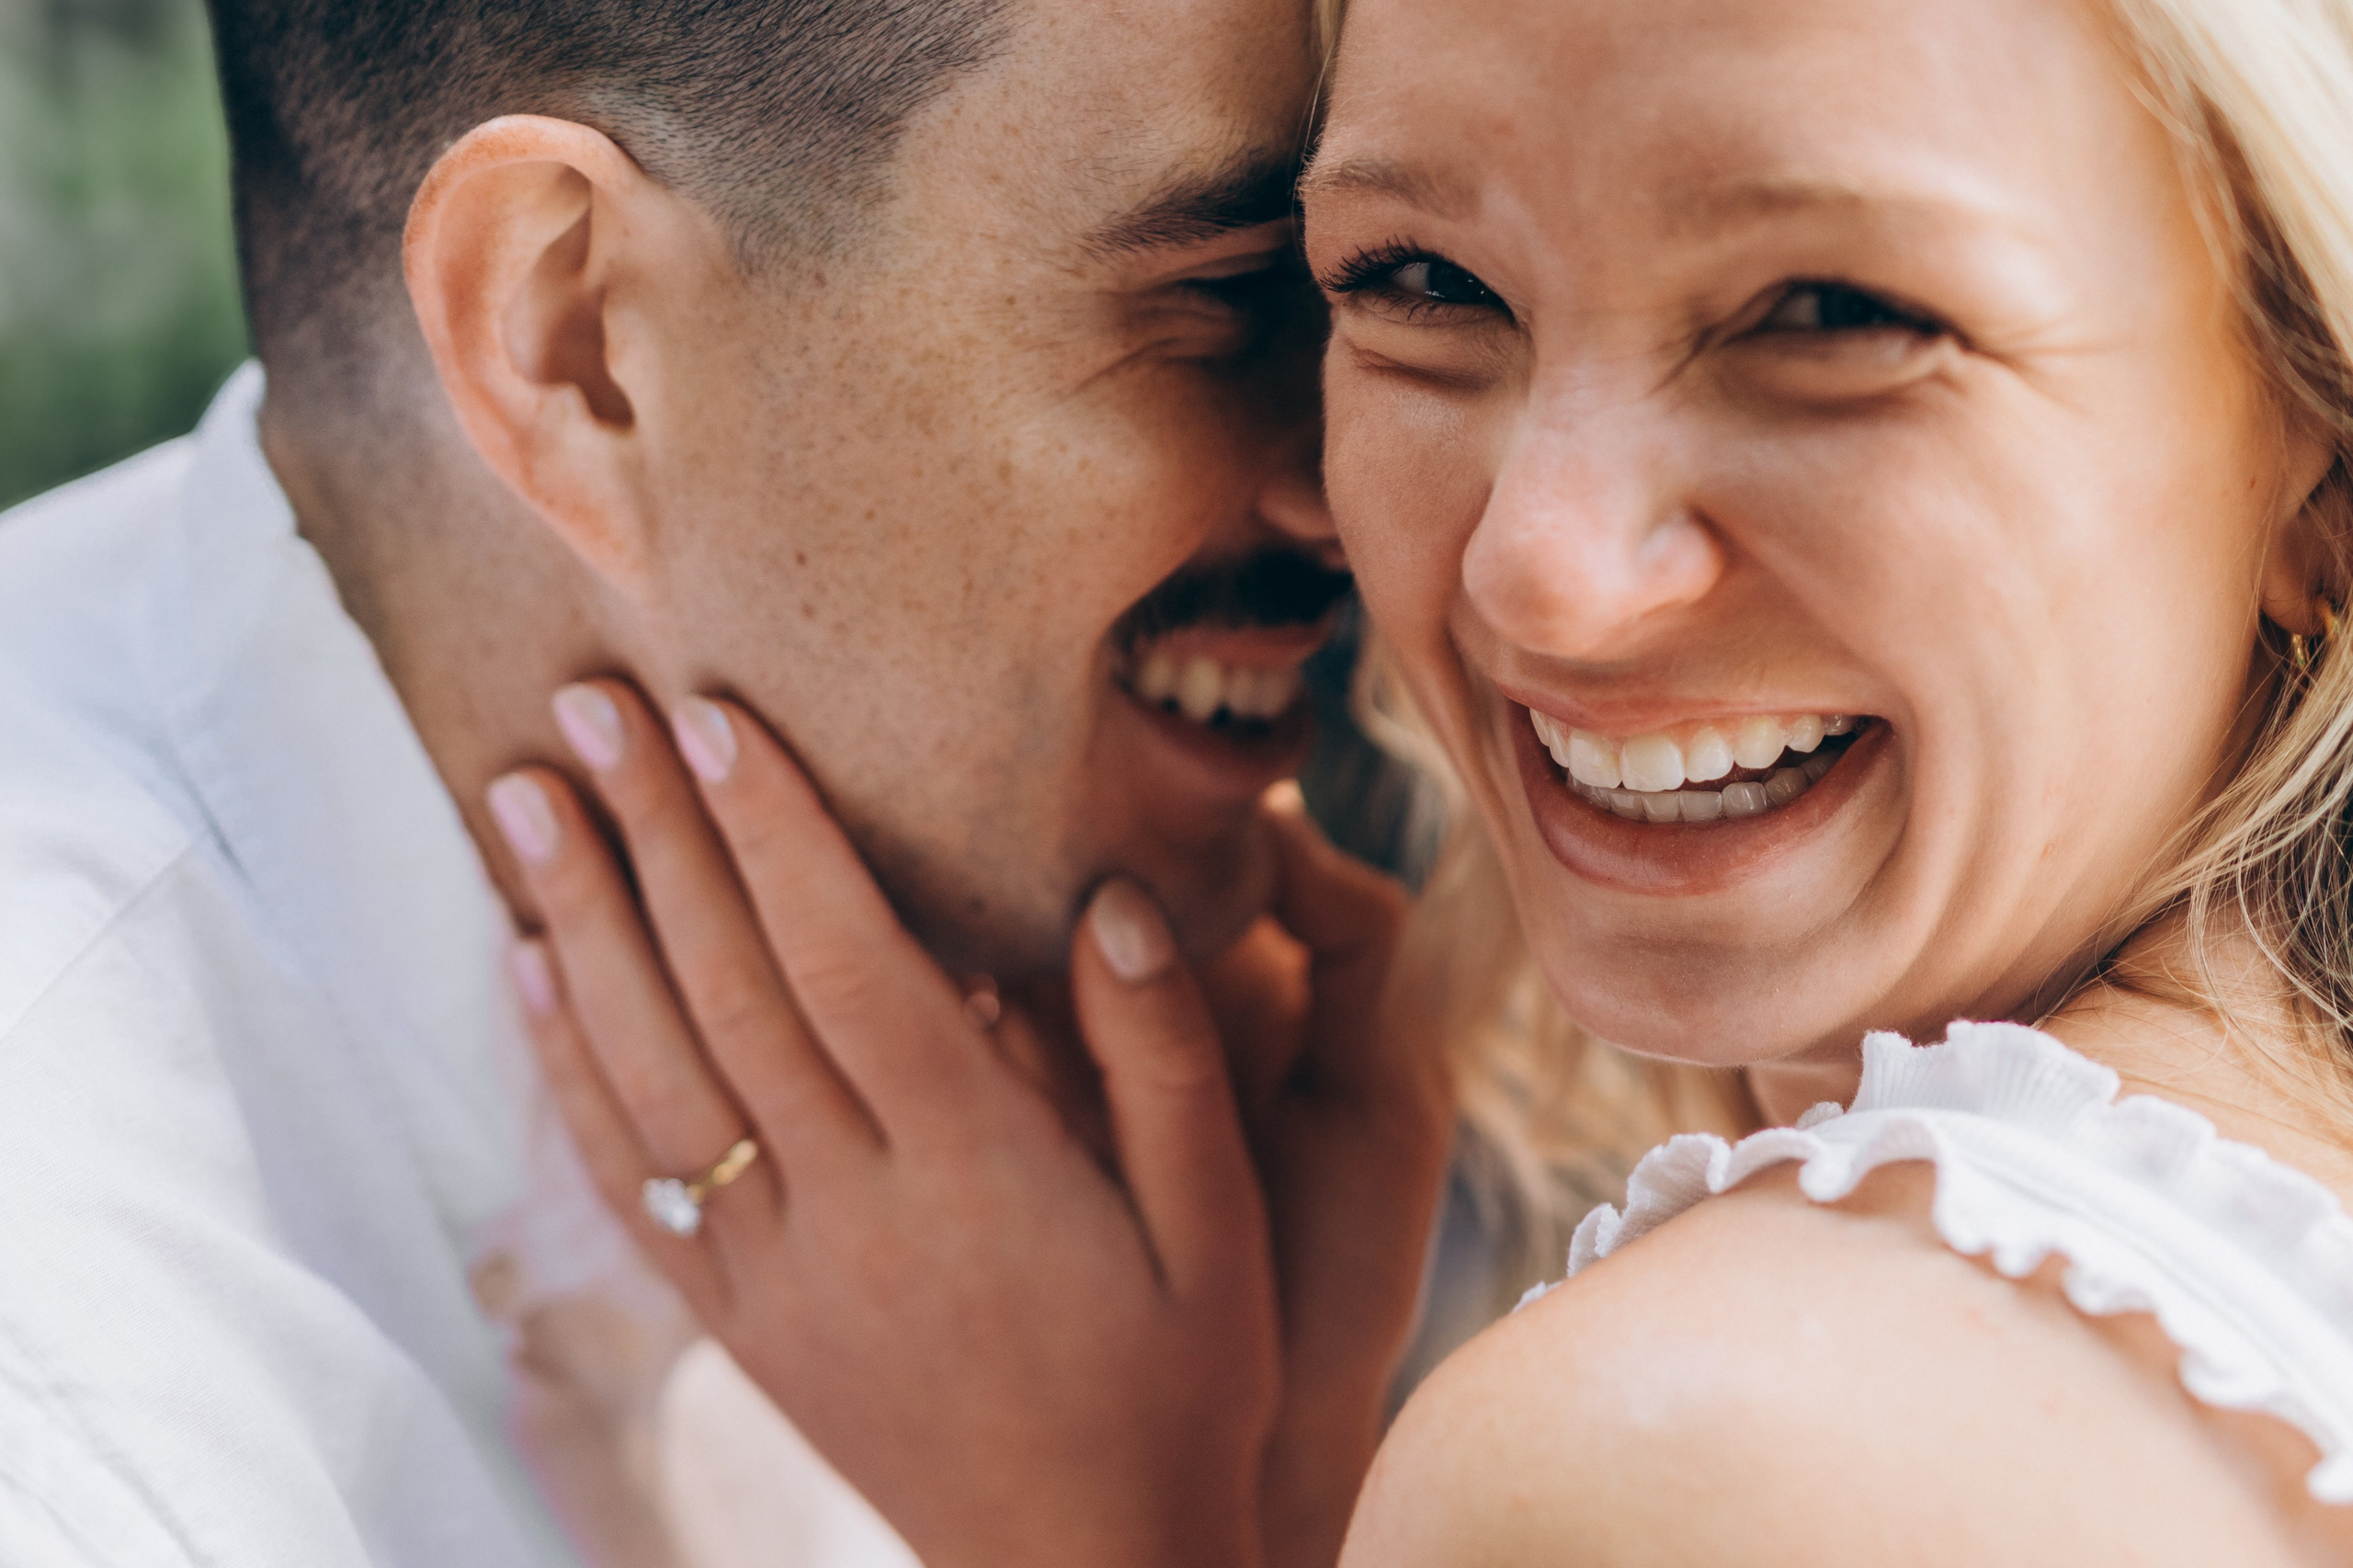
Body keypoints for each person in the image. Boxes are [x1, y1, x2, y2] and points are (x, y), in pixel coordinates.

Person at [521, 0, 2353, 1561]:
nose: (1534, 570)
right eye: (1416, 283)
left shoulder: (1693, 1451)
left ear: (2320, 459)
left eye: (1827, 315)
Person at [0, 1, 1452, 1563]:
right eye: (1226, 298)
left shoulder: (1121, 1072)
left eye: (1389, 277)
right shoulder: (84, 1425)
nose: (1356, 485)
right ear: (577, 342)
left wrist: (1284, 1489)